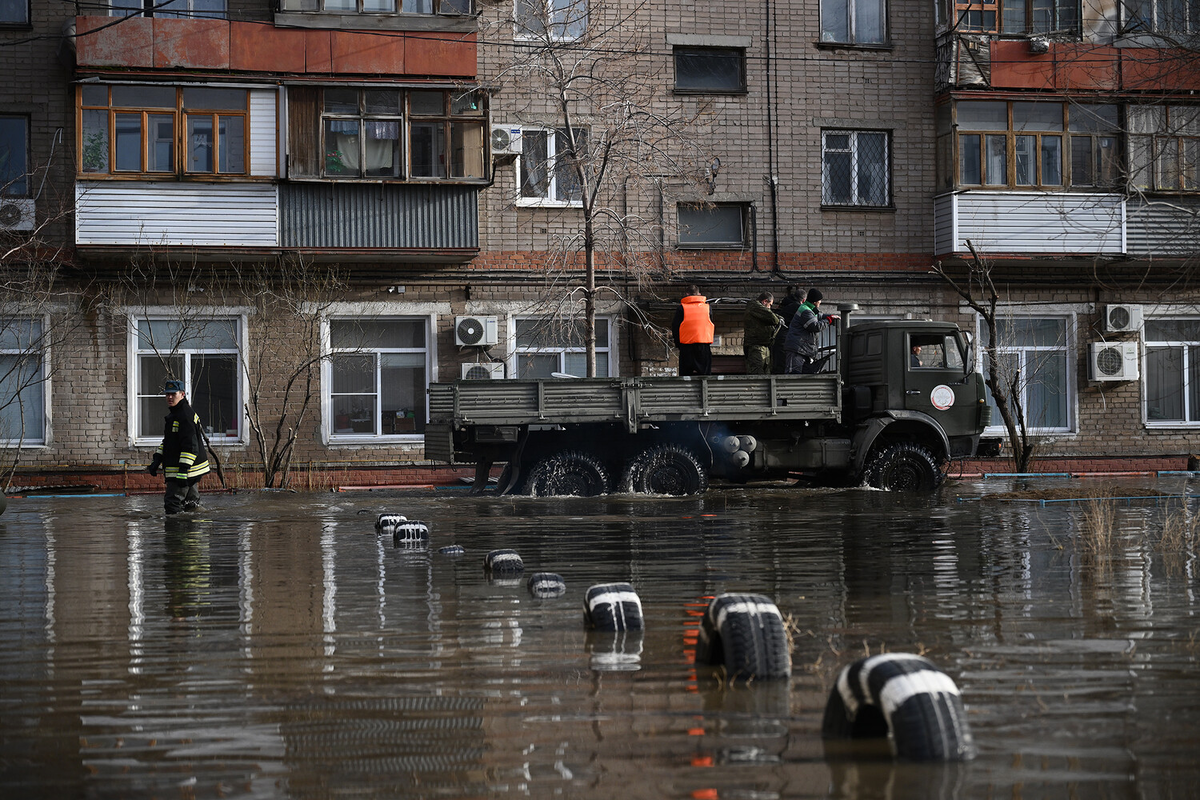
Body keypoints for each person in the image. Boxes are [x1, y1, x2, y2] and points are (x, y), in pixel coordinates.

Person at [147, 379, 210, 515]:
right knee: (191, 505)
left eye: (173, 394)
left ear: (182, 394)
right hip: (186, 470)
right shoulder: (176, 414)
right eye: (167, 394)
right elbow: (169, 442)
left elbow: (190, 446)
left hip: (184, 471)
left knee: (172, 504)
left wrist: (183, 471)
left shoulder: (184, 415)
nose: (169, 397)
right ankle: (197, 526)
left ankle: (175, 529)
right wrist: (157, 459)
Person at [782, 288, 839, 374]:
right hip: (797, 350)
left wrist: (829, 316)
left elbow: (819, 316)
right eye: (819, 300)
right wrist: (828, 320)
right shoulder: (806, 311)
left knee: (800, 375)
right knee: (794, 374)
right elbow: (814, 326)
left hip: (801, 349)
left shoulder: (808, 308)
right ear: (815, 302)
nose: (820, 302)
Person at [672, 285, 714, 376]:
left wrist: (678, 344)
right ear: (699, 294)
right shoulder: (707, 308)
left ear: (687, 294)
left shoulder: (681, 308)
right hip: (703, 345)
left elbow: (675, 327)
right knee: (705, 376)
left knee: (685, 376)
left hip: (686, 346)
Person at [743, 291, 784, 375]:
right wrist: (778, 319)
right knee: (757, 374)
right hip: (756, 348)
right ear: (765, 301)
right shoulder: (754, 306)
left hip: (764, 347)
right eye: (770, 305)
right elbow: (773, 318)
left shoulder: (758, 309)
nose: (770, 308)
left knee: (766, 375)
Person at [772, 285, 804, 373]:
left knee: (778, 364)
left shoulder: (785, 304)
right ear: (803, 300)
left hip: (778, 336)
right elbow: (810, 317)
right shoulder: (798, 307)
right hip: (786, 338)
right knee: (784, 365)